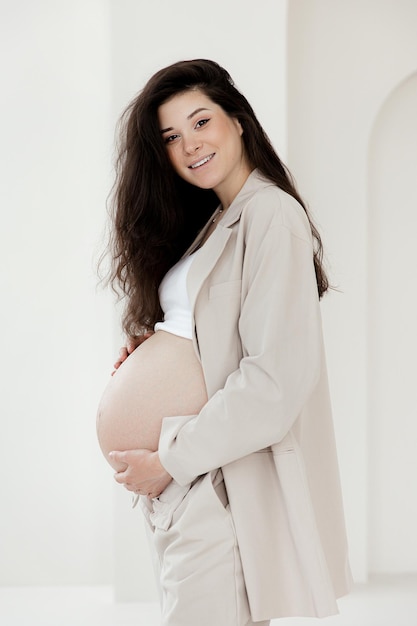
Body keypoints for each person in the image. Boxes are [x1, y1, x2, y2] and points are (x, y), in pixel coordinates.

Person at [97, 59, 352, 626]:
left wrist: (168, 458)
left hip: (215, 481)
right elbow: (213, 336)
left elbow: (275, 381)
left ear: (237, 120)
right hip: (189, 485)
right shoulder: (219, 219)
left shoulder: (271, 217)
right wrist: (156, 349)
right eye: (171, 137)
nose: (189, 145)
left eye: (201, 122)